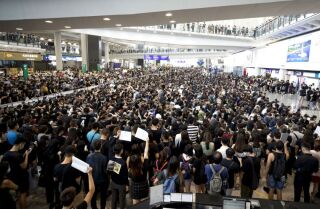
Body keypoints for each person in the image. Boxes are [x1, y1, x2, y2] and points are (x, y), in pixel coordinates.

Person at [3, 136, 31, 209]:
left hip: (12, 176)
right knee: (22, 194)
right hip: (21, 177)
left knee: (16, 195)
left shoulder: (6, 153)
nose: (23, 146)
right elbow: (24, 166)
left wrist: (23, 156)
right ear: (21, 144)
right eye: (24, 144)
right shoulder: (18, 155)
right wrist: (27, 155)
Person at [86, 140, 108, 209]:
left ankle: (94, 207)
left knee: (93, 196)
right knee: (103, 196)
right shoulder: (104, 157)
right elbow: (105, 171)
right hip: (103, 180)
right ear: (101, 146)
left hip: (93, 179)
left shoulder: (88, 156)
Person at [128, 139, 149, 205]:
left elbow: (129, 179)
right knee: (144, 204)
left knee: (135, 205)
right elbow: (145, 152)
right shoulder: (144, 167)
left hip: (134, 187)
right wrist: (147, 142)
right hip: (144, 186)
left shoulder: (130, 171)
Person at [110, 143, 129, 209]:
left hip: (113, 182)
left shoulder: (111, 159)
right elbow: (125, 176)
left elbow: (109, 171)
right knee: (122, 200)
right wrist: (127, 184)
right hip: (121, 184)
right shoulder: (123, 162)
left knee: (113, 199)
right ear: (121, 151)